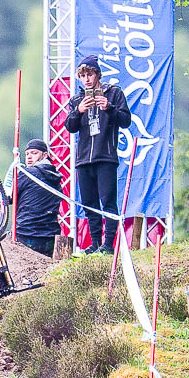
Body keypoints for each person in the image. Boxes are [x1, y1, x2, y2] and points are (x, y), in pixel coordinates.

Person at [63, 56, 132, 254]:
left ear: (98, 74)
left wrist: (109, 108)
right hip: (84, 159)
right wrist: (78, 111)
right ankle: (95, 243)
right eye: (83, 76)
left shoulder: (114, 93)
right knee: (89, 203)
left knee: (108, 201)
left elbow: (126, 120)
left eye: (90, 74)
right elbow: (70, 126)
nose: (86, 79)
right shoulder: (76, 100)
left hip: (105, 156)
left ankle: (108, 244)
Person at [10, 139, 63, 258]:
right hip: (50, 237)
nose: (29, 157)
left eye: (34, 153)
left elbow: (9, 197)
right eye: (27, 154)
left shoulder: (27, 173)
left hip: (25, 233)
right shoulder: (57, 178)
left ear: (45, 155)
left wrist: (12, 174)